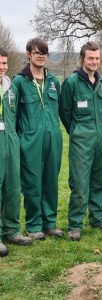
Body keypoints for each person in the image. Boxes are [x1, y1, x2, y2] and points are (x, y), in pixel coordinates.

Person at [60, 42, 102, 241]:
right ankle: (75, 224)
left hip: (101, 134)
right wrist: (76, 130)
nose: (94, 61)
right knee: (80, 181)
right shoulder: (72, 82)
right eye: (90, 58)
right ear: (82, 58)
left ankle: (97, 218)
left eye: (97, 58)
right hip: (81, 136)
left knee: (100, 179)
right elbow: (65, 112)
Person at [13, 38, 63, 240]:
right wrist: (19, 141)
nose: (41, 56)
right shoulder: (19, 82)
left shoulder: (53, 82)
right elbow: (13, 115)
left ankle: (49, 223)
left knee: (51, 181)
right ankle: (34, 226)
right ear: (28, 54)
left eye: (44, 53)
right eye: (36, 53)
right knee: (32, 184)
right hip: (30, 141)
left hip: (53, 140)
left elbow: (59, 110)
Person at [0, 48, 32, 257]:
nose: (2, 68)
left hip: (10, 137)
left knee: (13, 185)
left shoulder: (10, 86)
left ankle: (11, 230)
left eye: (4, 64)